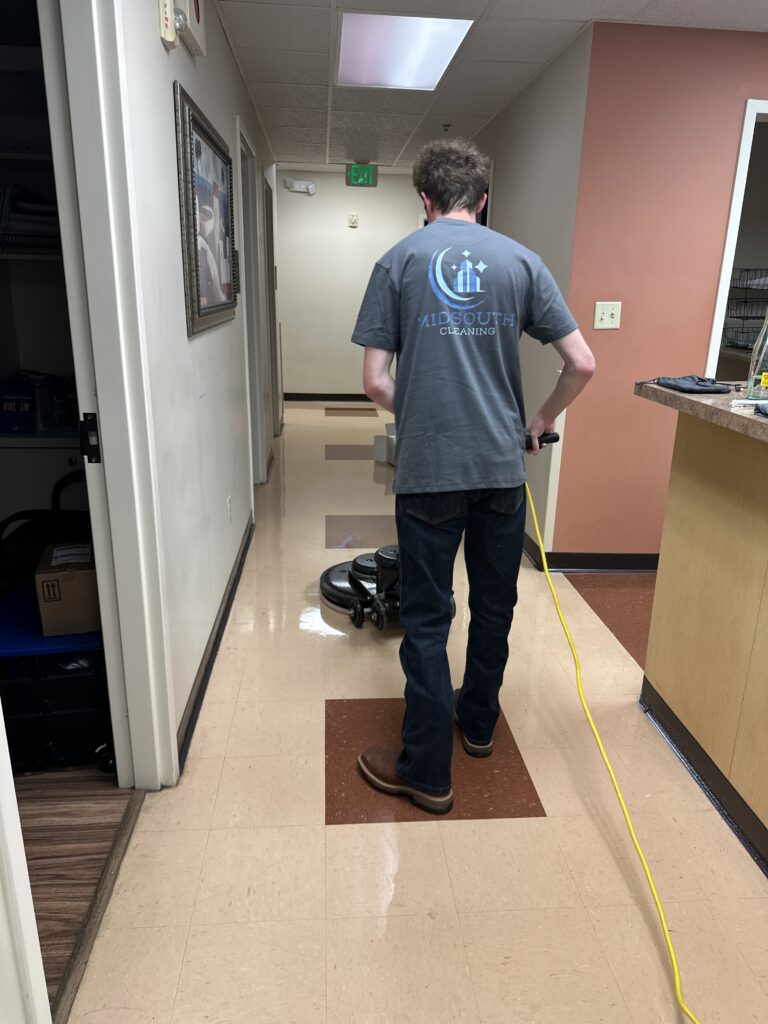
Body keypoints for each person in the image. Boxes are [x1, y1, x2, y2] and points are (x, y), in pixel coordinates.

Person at [351, 138, 595, 814]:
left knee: (428, 618)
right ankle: (479, 725)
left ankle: (427, 771)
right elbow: (582, 363)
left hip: (429, 469)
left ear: (424, 199)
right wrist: (539, 420)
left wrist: (427, 411)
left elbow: (374, 381)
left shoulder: (397, 261)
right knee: (495, 605)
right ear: (482, 199)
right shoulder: (521, 262)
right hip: (500, 471)